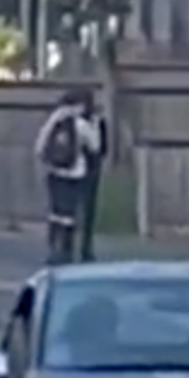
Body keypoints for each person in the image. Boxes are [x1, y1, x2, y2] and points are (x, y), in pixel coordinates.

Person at [35, 90, 98, 265]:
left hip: (54, 172)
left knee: (55, 211)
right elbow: (95, 146)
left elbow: (39, 147)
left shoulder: (53, 121)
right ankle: (66, 250)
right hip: (75, 173)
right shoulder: (81, 125)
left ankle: (53, 248)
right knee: (69, 213)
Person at [77, 89, 109, 262]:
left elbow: (103, 147)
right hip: (79, 166)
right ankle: (73, 246)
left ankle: (86, 247)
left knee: (89, 210)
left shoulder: (99, 122)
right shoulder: (77, 122)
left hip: (92, 166)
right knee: (76, 210)